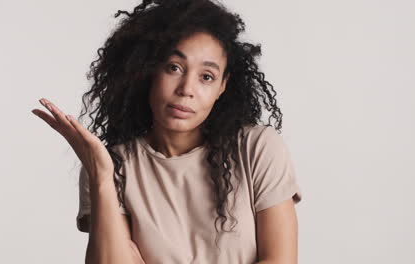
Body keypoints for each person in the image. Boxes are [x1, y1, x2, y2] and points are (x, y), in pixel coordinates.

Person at [32, 0, 303, 263]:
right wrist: (101, 177)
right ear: (148, 70)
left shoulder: (257, 148)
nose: (186, 89)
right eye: (174, 68)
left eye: (206, 76)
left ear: (222, 86)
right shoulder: (110, 166)